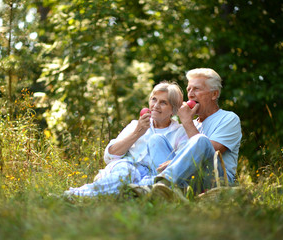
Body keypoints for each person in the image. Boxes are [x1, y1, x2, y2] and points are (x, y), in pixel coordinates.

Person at [64, 81, 189, 197]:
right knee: (126, 173)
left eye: (163, 102)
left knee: (143, 184)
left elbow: (183, 163)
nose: (155, 106)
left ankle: (118, 191)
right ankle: (76, 194)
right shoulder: (136, 125)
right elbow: (110, 156)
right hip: (127, 168)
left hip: (153, 177)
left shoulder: (179, 132)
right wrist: (137, 133)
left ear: (173, 109)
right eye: (153, 99)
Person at [143, 68, 242, 200]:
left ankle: (160, 184)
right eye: (189, 89)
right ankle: (165, 191)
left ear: (214, 94)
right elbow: (181, 157)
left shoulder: (229, 119)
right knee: (157, 139)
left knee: (201, 140)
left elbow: (209, 152)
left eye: (196, 89)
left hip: (216, 181)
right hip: (189, 179)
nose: (190, 94)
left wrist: (186, 122)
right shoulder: (189, 123)